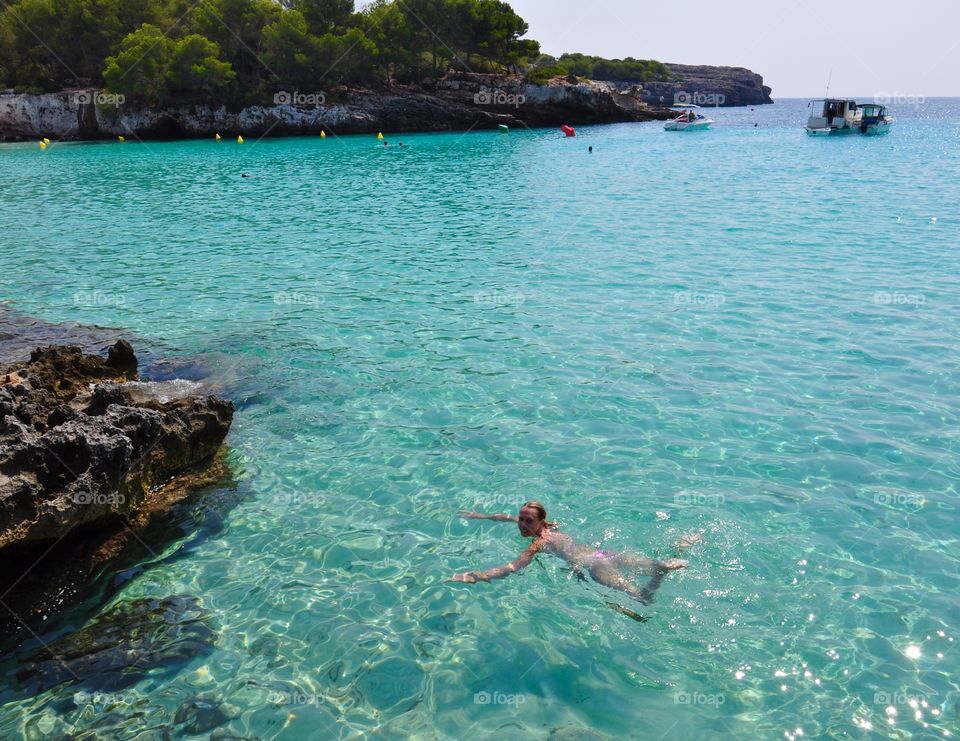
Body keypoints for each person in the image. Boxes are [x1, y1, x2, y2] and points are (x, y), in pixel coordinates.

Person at [450, 500, 700, 605]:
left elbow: (512, 567)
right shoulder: (551, 526)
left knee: (642, 598)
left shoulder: (537, 544)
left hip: (594, 565)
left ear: (540, 522)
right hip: (605, 553)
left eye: (527, 522)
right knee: (654, 564)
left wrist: (477, 576)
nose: (521, 525)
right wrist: (481, 516)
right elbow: (507, 517)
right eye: (520, 520)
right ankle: (677, 549)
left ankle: (661, 573)